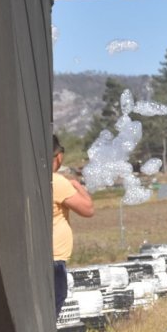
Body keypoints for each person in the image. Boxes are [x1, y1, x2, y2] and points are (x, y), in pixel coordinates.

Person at [52, 135, 95, 316]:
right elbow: (88, 209)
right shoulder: (57, 182)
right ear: (59, 156)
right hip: (54, 260)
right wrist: (77, 185)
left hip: (44, 259)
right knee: (54, 304)